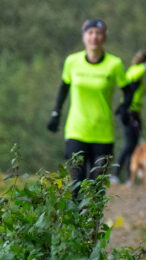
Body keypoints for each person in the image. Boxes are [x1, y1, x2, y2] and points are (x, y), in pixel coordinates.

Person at [47, 18, 132, 198]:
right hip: (76, 131)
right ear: (84, 36)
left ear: (104, 37)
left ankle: (93, 225)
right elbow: (63, 89)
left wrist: (125, 108)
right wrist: (55, 114)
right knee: (77, 183)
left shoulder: (114, 64)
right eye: (90, 33)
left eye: (98, 33)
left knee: (96, 187)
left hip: (103, 133)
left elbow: (128, 90)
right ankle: (77, 226)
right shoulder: (72, 61)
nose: (94, 37)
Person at [114, 51, 146, 183]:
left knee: (132, 145)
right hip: (130, 112)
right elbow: (133, 77)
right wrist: (145, 67)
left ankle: (128, 176)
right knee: (129, 145)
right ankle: (116, 174)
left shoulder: (135, 72)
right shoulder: (135, 71)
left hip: (135, 112)